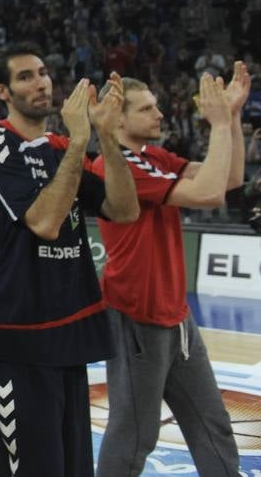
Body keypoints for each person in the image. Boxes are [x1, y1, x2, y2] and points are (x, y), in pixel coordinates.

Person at [0, 44, 140, 476]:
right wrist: (80, 142)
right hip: (17, 340)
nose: (41, 81)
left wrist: (106, 138)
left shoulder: (62, 147)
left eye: (43, 72)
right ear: (2, 91)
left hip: (67, 336)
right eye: (26, 76)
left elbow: (124, 210)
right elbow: (44, 221)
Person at [91, 68, 248, 476]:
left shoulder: (154, 158)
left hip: (176, 318)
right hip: (136, 317)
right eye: (147, 108)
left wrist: (230, 117)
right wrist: (216, 125)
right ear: (119, 120)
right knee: (134, 435)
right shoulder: (117, 167)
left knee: (213, 424)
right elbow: (208, 194)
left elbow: (229, 178)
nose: (159, 114)